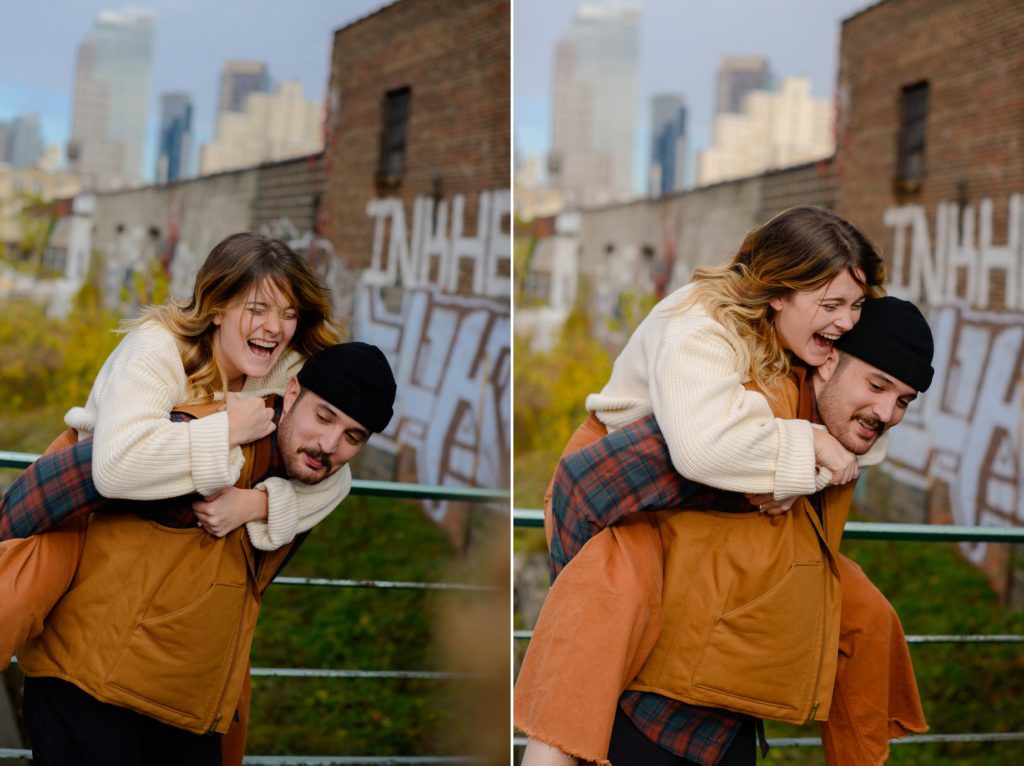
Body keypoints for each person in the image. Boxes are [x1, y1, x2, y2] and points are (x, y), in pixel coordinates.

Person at [515, 206, 891, 766]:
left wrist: (811, 451)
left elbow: (860, 435)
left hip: (693, 499)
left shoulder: (797, 338)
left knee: (860, 612)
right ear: (778, 292)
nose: (845, 321)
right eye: (830, 304)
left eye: (856, 305)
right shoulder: (698, 323)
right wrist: (807, 446)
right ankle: (551, 755)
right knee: (609, 613)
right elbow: (700, 449)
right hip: (620, 491)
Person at [14, 341, 397, 766]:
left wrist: (259, 504)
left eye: (352, 437)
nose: (328, 444)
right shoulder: (212, 435)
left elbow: (337, 485)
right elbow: (62, 481)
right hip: (90, 695)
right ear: (291, 395)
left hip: (191, 710)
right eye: (323, 417)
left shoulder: (313, 480)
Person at [0, 231, 346, 664]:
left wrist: (256, 506)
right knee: (16, 613)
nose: (274, 328)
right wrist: (226, 431)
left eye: (289, 314)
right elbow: (114, 466)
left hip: (182, 560)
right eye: (258, 309)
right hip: (84, 514)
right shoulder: (158, 347)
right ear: (218, 307)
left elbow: (335, 474)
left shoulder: (287, 374)